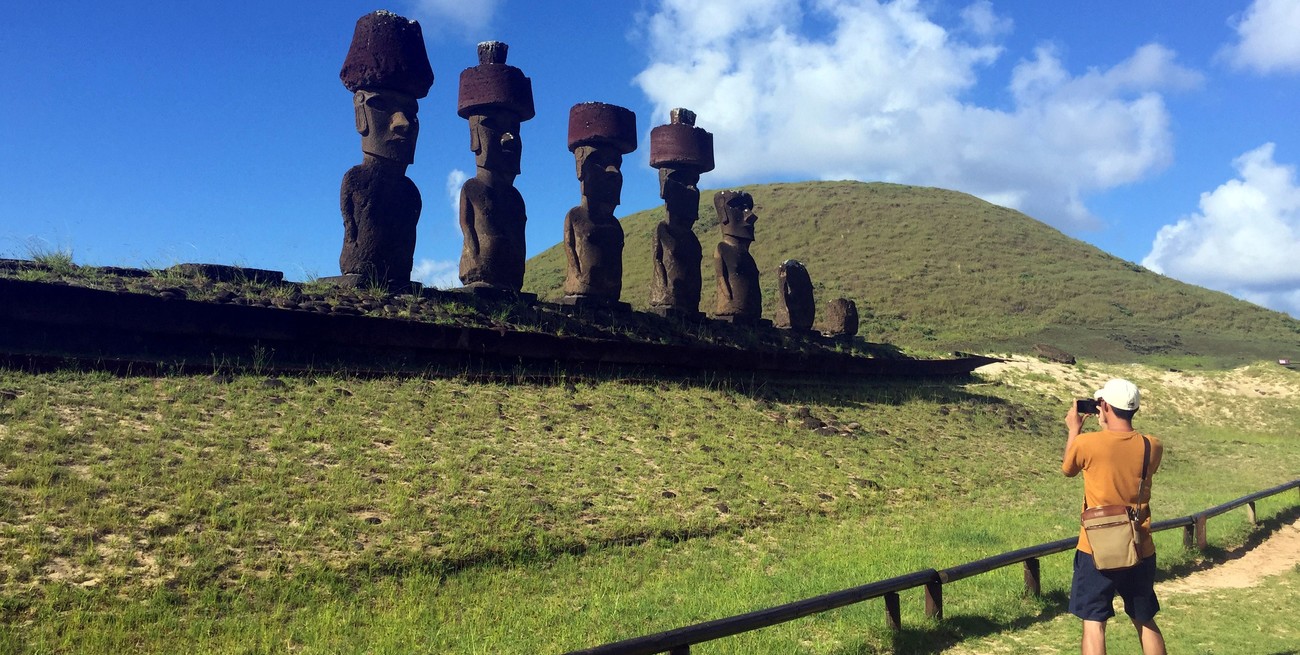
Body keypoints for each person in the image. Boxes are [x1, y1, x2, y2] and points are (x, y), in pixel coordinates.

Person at [1062, 378, 1167, 655]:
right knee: (1144, 619)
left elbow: (1068, 468)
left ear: (1105, 406)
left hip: (1095, 548)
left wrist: (1074, 429)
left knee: (1094, 623)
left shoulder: (1087, 443)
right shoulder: (1152, 446)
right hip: (1139, 545)